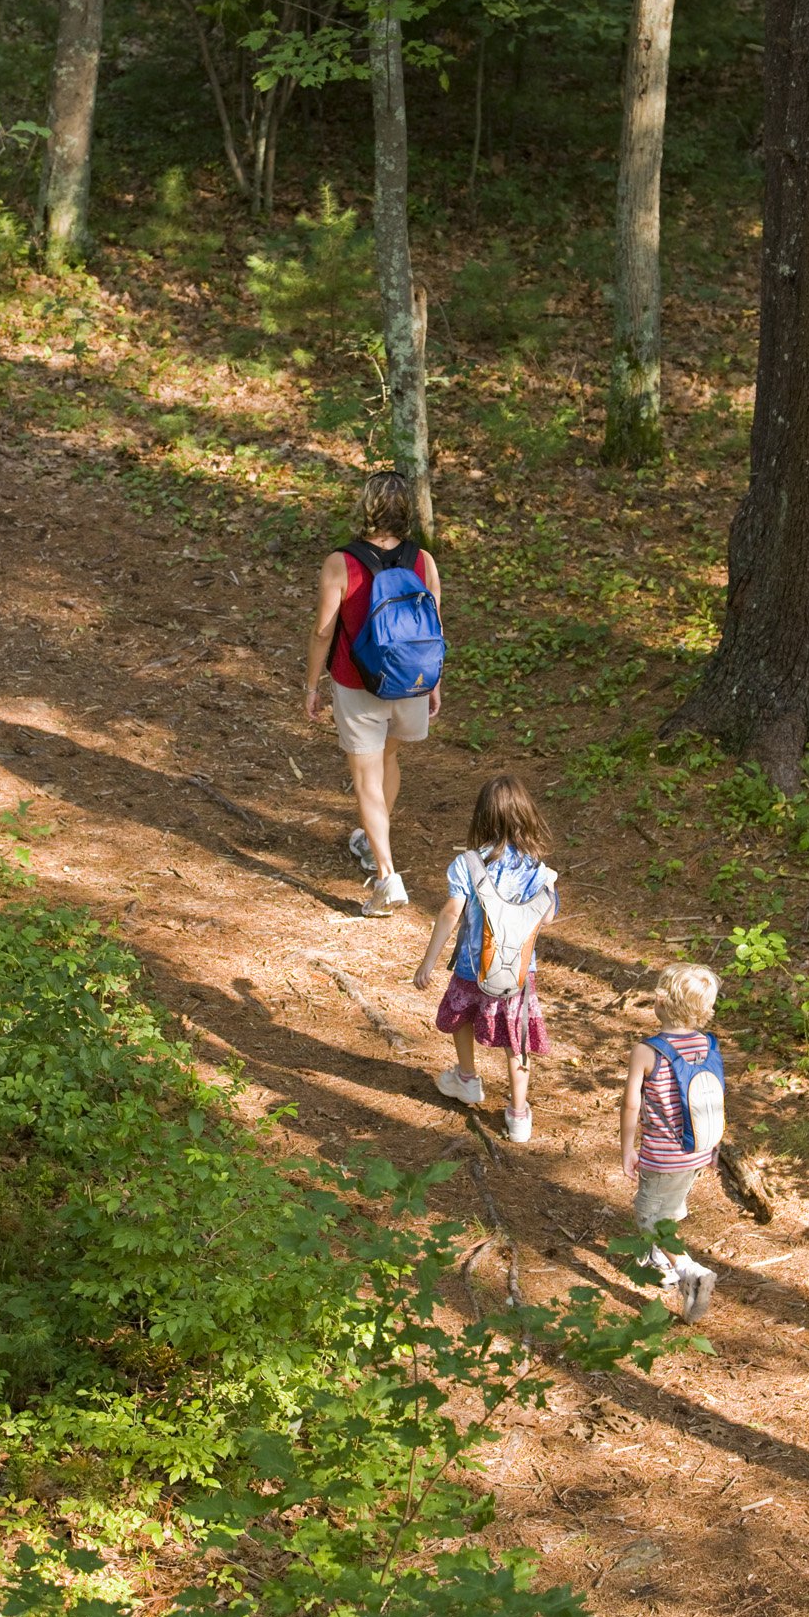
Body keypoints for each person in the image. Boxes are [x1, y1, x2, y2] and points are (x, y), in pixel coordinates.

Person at [305, 470, 442, 917]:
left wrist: (312, 685)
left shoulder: (340, 563)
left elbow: (324, 632)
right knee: (389, 759)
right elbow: (434, 627)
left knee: (366, 776)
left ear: (364, 506)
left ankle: (386, 875)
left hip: (357, 679)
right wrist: (435, 682)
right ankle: (369, 840)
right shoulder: (423, 559)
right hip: (411, 681)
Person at [413, 774, 558, 1144]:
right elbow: (548, 917)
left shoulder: (468, 864)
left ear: (482, 818)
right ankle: (519, 1114)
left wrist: (428, 961)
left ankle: (466, 1078)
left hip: (471, 967)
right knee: (517, 1038)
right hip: (519, 973)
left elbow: (450, 913)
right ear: (526, 816)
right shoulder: (538, 870)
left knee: (461, 1015)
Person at [620, 963, 725, 1323]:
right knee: (671, 1204)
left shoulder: (647, 1051)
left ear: (660, 1002)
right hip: (698, 1149)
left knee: (649, 1217)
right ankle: (660, 1260)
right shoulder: (708, 1044)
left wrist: (627, 1149)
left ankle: (689, 1271)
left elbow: (632, 1103)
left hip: (662, 1155)